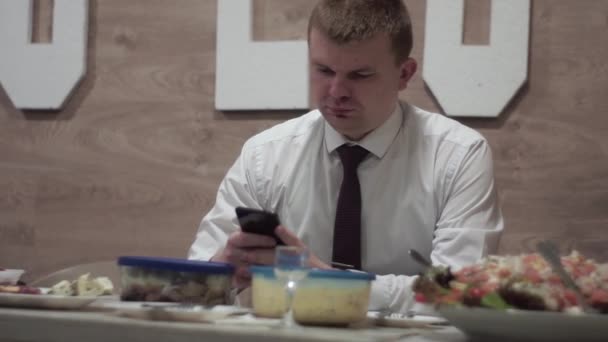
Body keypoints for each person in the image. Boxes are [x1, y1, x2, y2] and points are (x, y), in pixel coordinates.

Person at [189, 0, 503, 313]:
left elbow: (459, 293)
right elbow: (190, 287)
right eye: (323, 70)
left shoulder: (458, 156)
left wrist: (328, 281)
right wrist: (221, 271)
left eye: (360, 75)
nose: (337, 91)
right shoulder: (264, 157)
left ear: (404, 74)